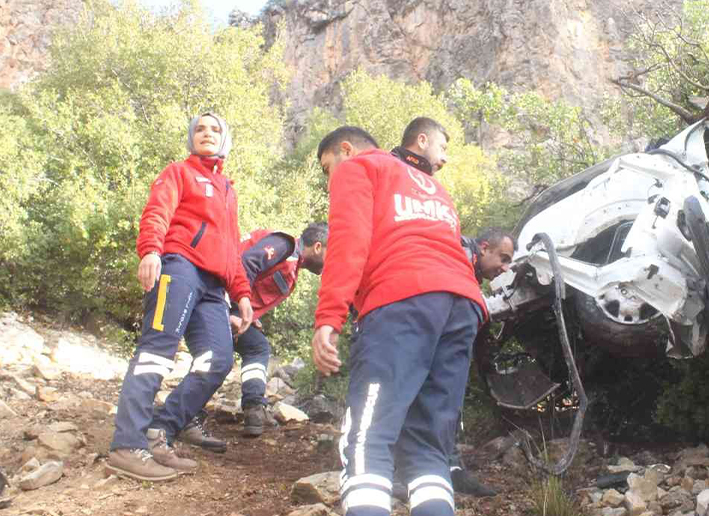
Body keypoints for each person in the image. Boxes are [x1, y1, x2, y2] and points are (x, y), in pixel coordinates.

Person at [313, 125, 487, 516]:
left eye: (328, 168)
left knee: (368, 439)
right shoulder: (433, 187)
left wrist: (329, 316)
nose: (330, 180)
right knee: (427, 447)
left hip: (402, 301)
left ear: (346, 150)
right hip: (461, 306)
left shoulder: (359, 168)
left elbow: (348, 241)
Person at [106, 112, 254, 482]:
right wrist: (151, 250)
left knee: (218, 359)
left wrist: (243, 294)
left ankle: (160, 432)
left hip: (214, 285)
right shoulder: (179, 172)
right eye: (200, 129)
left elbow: (232, 248)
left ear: (226, 140)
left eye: (215, 129)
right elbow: (158, 210)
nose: (207, 133)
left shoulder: (227, 191)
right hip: (179, 266)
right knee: (157, 352)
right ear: (191, 138)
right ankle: (127, 445)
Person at [390, 118, 512, 497]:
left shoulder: (438, 200)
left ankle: (440, 466)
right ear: (484, 248)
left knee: (438, 394)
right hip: (405, 307)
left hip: (431, 310)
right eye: (503, 259)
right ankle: (395, 469)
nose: (504, 268)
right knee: (409, 389)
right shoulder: (392, 177)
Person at [178, 223, 328, 452]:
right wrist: (234, 309)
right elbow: (245, 263)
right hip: (212, 298)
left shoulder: (293, 265)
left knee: (257, 346)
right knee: (219, 356)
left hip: (226, 304)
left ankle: (254, 409)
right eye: (332, 253)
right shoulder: (284, 246)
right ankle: (184, 416)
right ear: (318, 247)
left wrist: (246, 314)